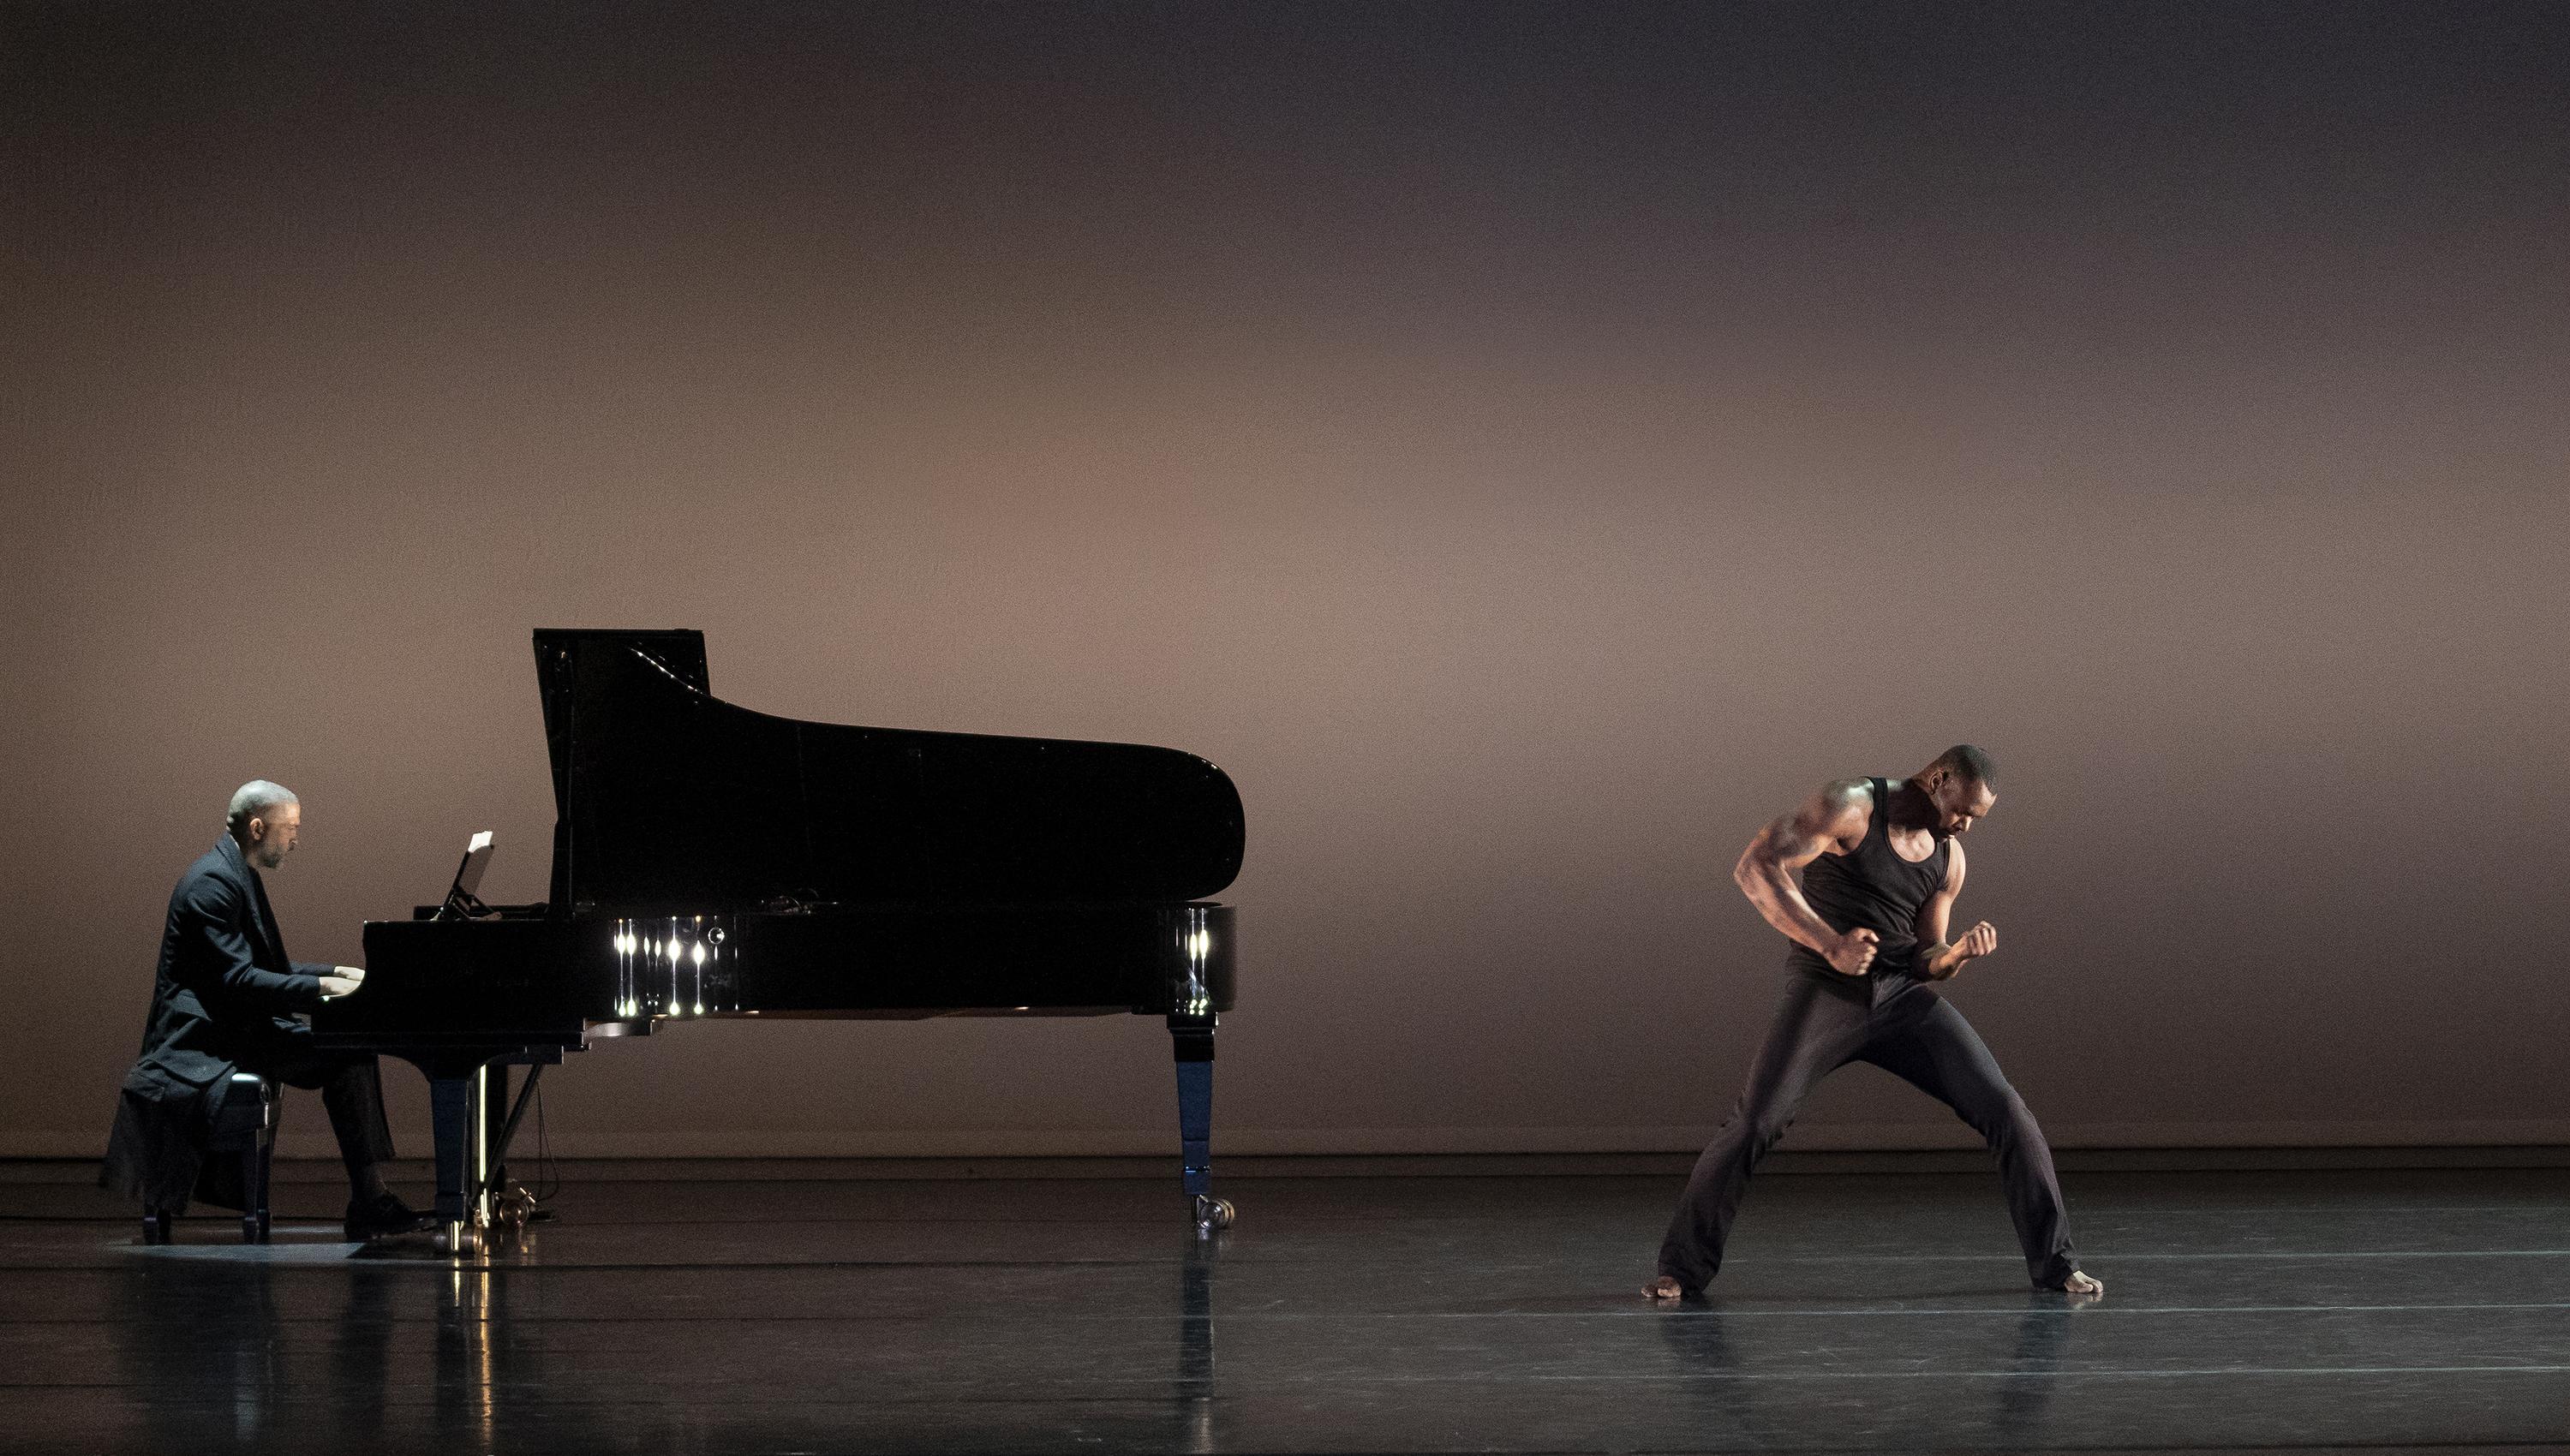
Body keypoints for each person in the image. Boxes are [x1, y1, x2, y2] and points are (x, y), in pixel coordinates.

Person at [1647, 745, 2102, 1299]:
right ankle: (1680, 1270)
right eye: (1964, 812)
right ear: (1939, 778)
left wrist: (1953, 956)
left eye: (1975, 822)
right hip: (1826, 989)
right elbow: (1756, 867)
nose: (1965, 827)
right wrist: (1829, 944)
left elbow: (1925, 954)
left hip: (1901, 997)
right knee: (1755, 1123)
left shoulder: (1949, 857)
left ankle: (2057, 1266)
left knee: (2007, 1110)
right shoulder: (1853, 805)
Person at [102, 780, 430, 1242]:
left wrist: (337, 971)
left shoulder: (234, 873)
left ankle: (370, 1198)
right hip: (206, 1040)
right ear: (258, 828)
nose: (296, 839)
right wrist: (321, 987)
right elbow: (238, 981)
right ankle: (370, 1201)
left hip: (235, 1027)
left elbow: (260, 968)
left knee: (351, 1052)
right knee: (349, 1055)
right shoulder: (212, 885)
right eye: (290, 828)